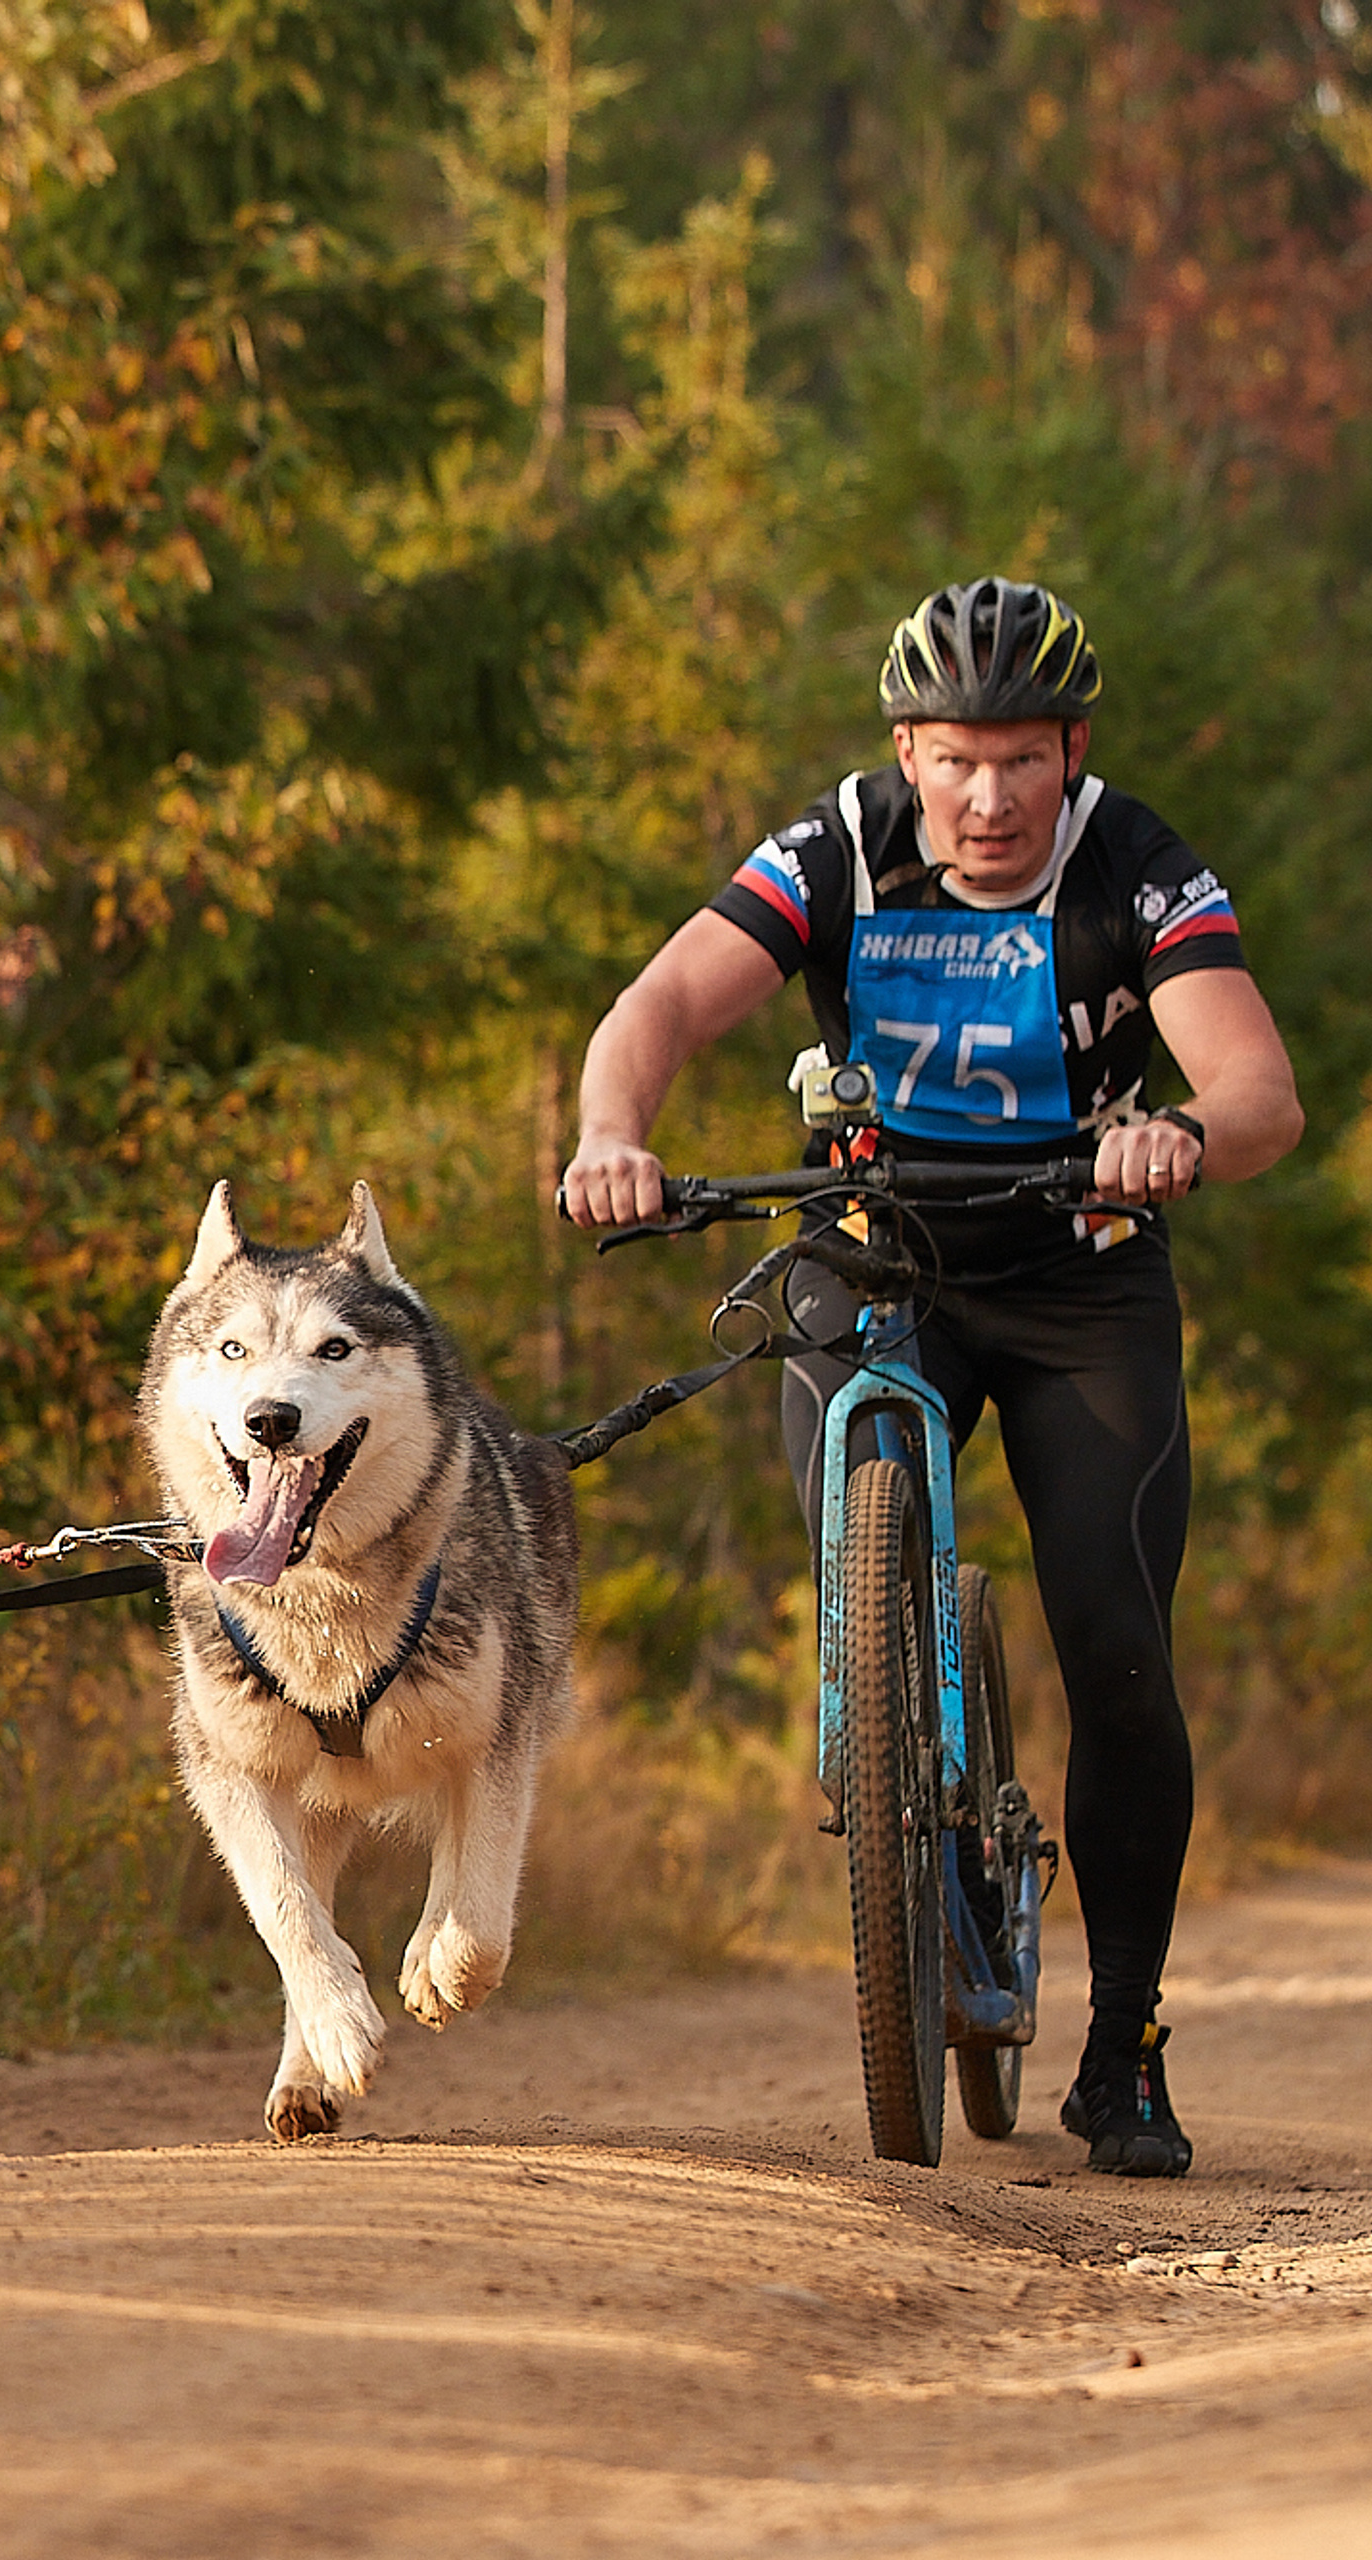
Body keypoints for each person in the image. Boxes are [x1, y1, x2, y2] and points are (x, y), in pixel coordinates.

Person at [561, 577, 1305, 2178]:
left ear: (1069, 753)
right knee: (854, 1553)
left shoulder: (1136, 860)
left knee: (1115, 1642)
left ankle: (1126, 2046)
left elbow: (1256, 1087)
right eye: (954, 759)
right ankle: (897, 1728)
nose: (985, 797)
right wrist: (613, 1136)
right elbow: (665, 1004)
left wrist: (1179, 1131)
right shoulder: (838, 844)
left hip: (1075, 1271)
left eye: (1020, 760)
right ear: (907, 749)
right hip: (873, 1247)